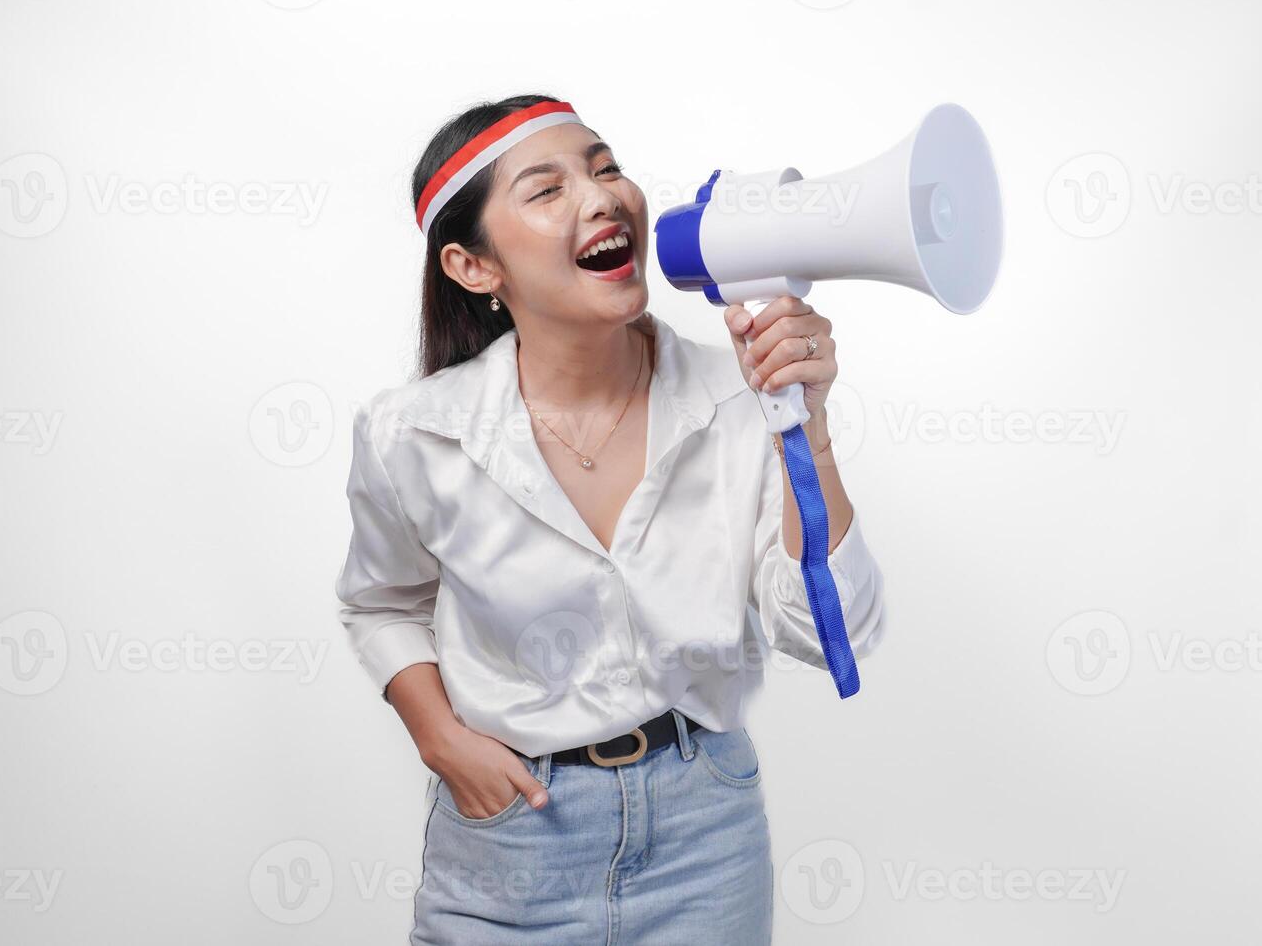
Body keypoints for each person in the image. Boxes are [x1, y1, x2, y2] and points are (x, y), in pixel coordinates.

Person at [335, 93, 887, 944]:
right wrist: (439, 737)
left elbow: (829, 630)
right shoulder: (411, 435)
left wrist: (803, 422)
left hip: (706, 838)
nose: (602, 197)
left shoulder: (739, 399)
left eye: (605, 168)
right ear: (474, 267)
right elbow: (381, 603)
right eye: (546, 189)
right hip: (509, 841)